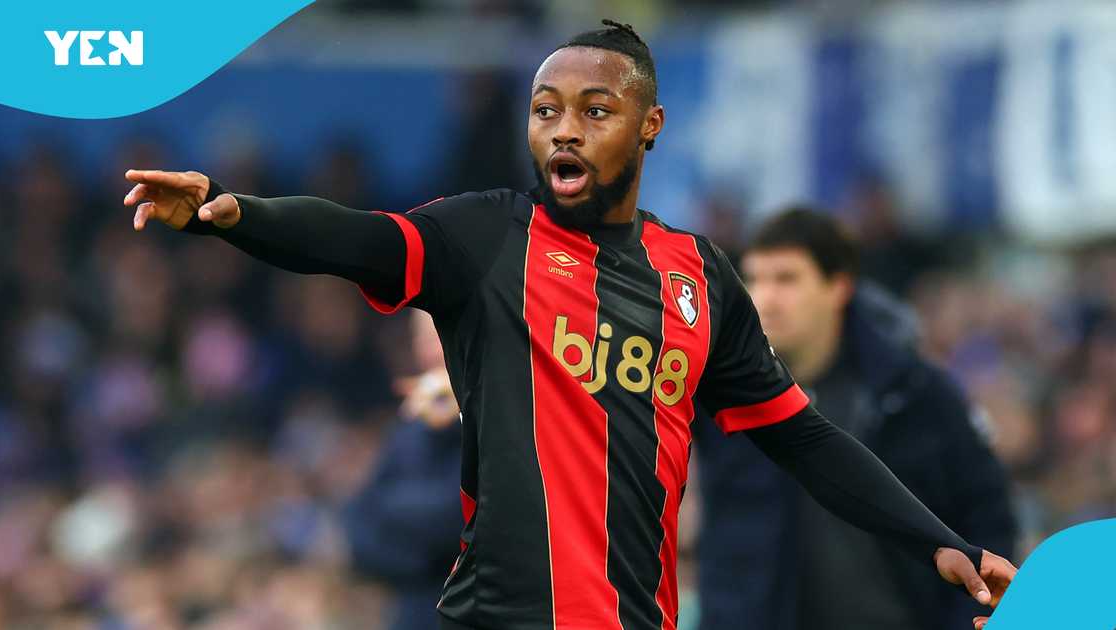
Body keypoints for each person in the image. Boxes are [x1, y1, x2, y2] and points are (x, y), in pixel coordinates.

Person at [121, 20, 1014, 630]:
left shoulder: (698, 277)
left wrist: (935, 538)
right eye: (546, 110)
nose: (564, 131)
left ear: (651, 125)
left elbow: (808, 440)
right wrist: (230, 213)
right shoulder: (486, 239)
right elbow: (356, 239)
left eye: (596, 110)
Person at [693, 207, 1018, 630]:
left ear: (838, 286)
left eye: (786, 279)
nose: (764, 297)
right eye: (753, 279)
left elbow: (987, 514)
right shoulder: (715, 388)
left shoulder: (914, 392)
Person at [344, 311, 464, 630]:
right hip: (415, 613)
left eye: (440, 336)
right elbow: (358, 528)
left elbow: (458, 515)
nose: (430, 352)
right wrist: (423, 562)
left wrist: (393, 517)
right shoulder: (413, 426)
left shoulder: (508, 417)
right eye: (422, 340)